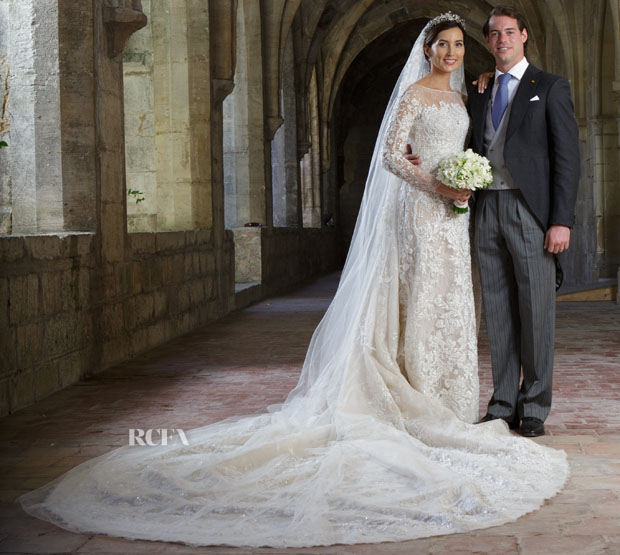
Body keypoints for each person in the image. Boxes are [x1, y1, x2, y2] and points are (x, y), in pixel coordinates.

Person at [19, 13, 569, 548]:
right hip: (432, 211)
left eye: (460, 43)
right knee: (436, 300)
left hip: (469, 217)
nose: (453, 51)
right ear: (427, 50)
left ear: (509, 41)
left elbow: (532, 145)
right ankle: (456, 401)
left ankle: (491, 402)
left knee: (461, 303)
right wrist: (440, 185)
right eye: (444, 44)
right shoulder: (422, 93)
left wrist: (487, 193)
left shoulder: (476, 91)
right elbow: (391, 156)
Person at [470, 5, 580, 437]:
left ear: (525, 36)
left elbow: (566, 159)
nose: (502, 40)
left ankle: (534, 405)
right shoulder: (479, 89)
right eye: (494, 34)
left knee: (536, 310)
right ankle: (502, 402)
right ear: (488, 41)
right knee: (497, 310)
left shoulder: (550, 87)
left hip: (531, 211)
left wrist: (561, 220)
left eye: (510, 32)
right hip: (487, 210)